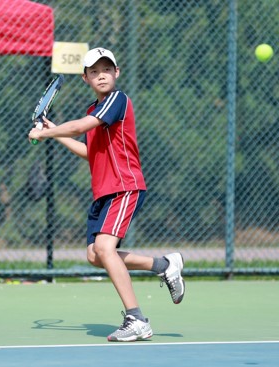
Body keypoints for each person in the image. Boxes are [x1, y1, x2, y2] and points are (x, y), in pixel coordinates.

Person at [28, 48, 186, 342]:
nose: (102, 74)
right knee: (95, 255)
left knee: (104, 246)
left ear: (117, 73)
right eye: (94, 71)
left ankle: (136, 318)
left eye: (107, 69)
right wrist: (58, 134)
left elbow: (82, 126)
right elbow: (91, 152)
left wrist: (46, 133)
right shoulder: (93, 110)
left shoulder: (117, 100)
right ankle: (164, 265)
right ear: (85, 78)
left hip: (124, 186)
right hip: (104, 192)